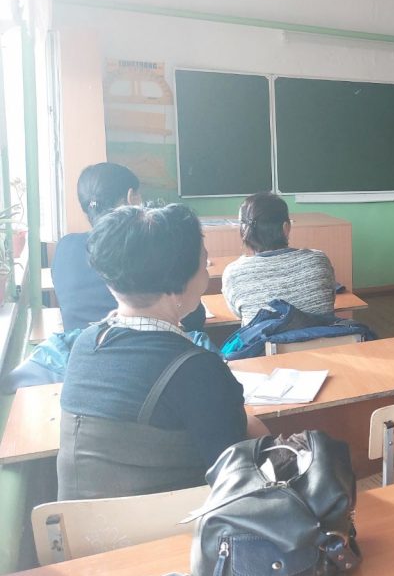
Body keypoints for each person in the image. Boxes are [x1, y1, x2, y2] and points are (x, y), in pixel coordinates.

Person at [58, 204, 268, 499]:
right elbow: (241, 480)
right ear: (179, 282)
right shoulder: (199, 370)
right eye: (203, 262)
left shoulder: (86, 344)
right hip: (171, 524)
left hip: (81, 525)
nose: (206, 270)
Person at [52, 163, 205, 332]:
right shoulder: (141, 247)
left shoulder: (64, 247)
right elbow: (192, 316)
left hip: (81, 346)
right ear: (132, 198)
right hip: (147, 344)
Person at [222, 192, 337, 325]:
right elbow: (330, 299)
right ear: (286, 228)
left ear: (243, 231)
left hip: (264, 339)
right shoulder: (319, 260)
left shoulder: (233, 273)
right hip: (327, 338)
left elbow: (238, 313)